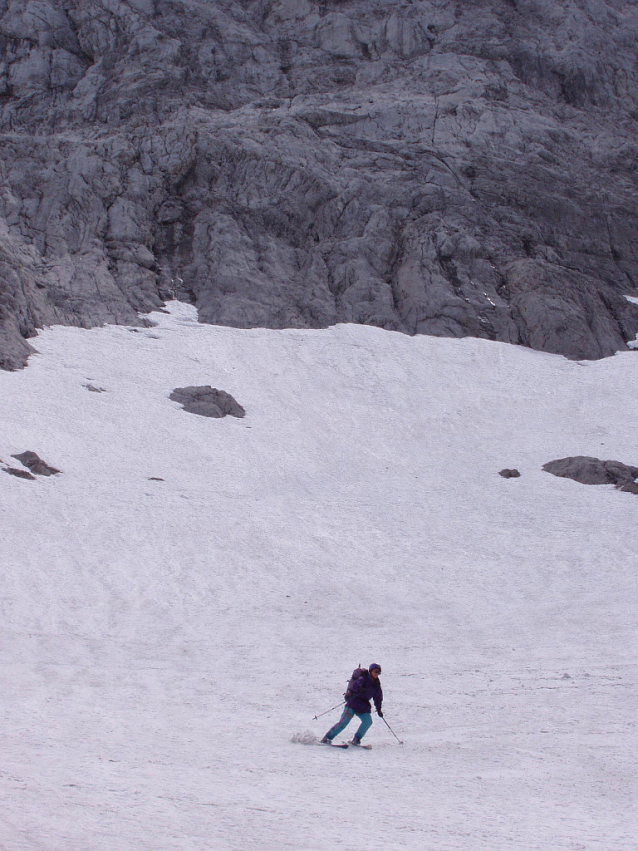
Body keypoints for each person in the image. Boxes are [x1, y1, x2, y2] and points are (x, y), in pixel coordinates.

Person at [321, 663, 383, 746]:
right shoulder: (363, 678)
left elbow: (378, 698)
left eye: (379, 672)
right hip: (353, 703)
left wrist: (379, 709)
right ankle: (327, 738)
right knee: (343, 722)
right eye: (376, 671)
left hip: (363, 706)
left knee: (368, 722)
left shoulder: (376, 685)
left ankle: (357, 739)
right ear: (371, 671)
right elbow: (355, 685)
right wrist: (361, 689)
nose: (377, 674)